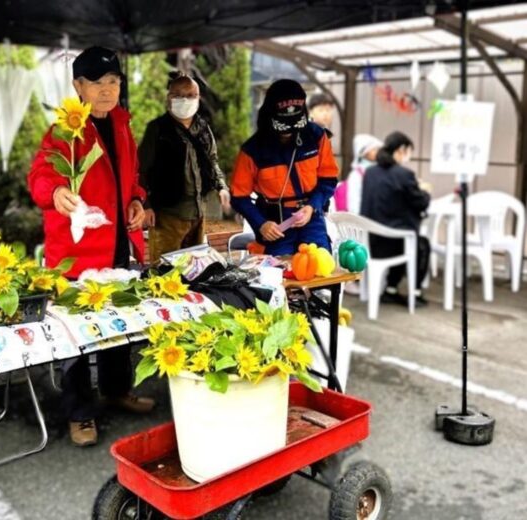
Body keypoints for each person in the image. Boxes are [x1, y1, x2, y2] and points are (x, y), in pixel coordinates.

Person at [27, 46, 153, 447]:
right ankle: (79, 412)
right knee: (77, 334)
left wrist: (136, 200)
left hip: (116, 244)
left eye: (113, 81)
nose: (107, 90)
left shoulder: (122, 124)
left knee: (118, 321)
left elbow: (131, 177)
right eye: (97, 82)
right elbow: (40, 175)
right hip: (75, 251)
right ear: (78, 86)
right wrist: (56, 191)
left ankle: (116, 390)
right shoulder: (65, 129)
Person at [230, 79, 338, 256]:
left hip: (311, 217)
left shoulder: (317, 136)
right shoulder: (253, 150)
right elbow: (238, 197)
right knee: (278, 270)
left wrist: (313, 205)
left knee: (320, 265)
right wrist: (260, 224)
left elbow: (328, 179)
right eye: (284, 127)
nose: (288, 133)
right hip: (275, 224)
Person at [138, 72, 230, 260]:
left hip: (198, 213)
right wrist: (145, 205)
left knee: (195, 268)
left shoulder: (203, 128)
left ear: (198, 98)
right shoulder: (157, 129)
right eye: (179, 95)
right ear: (169, 98)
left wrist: (221, 187)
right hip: (168, 216)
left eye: (191, 95)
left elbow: (212, 161)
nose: (185, 100)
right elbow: (140, 170)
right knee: (164, 270)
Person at [361, 131, 431, 306]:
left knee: (408, 238)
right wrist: (425, 190)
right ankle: (415, 292)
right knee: (421, 245)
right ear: (401, 150)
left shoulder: (370, 172)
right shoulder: (404, 174)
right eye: (408, 152)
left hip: (371, 241)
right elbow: (421, 203)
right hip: (394, 243)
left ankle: (391, 290)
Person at [334, 134, 382, 214]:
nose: (378, 152)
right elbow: (353, 204)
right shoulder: (356, 175)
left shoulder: (378, 170)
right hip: (362, 219)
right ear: (364, 152)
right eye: (374, 149)